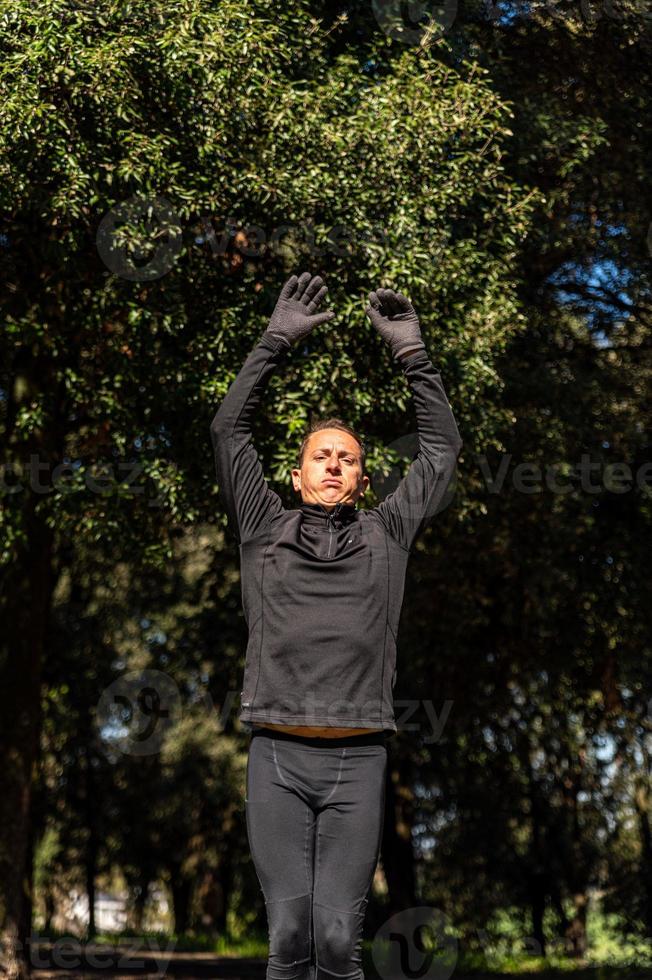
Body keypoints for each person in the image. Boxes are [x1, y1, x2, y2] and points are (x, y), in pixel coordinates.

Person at [210, 272, 463, 980]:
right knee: (289, 941)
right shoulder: (263, 528)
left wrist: (413, 355)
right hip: (277, 757)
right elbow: (228, 430)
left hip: (358, 760)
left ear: (362, 476)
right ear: (296, 476)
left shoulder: (388, 534)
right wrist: (273, 341)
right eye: (320, 455)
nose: (333, 463)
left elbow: (440, 452)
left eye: (347, 458)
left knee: (335, 945)